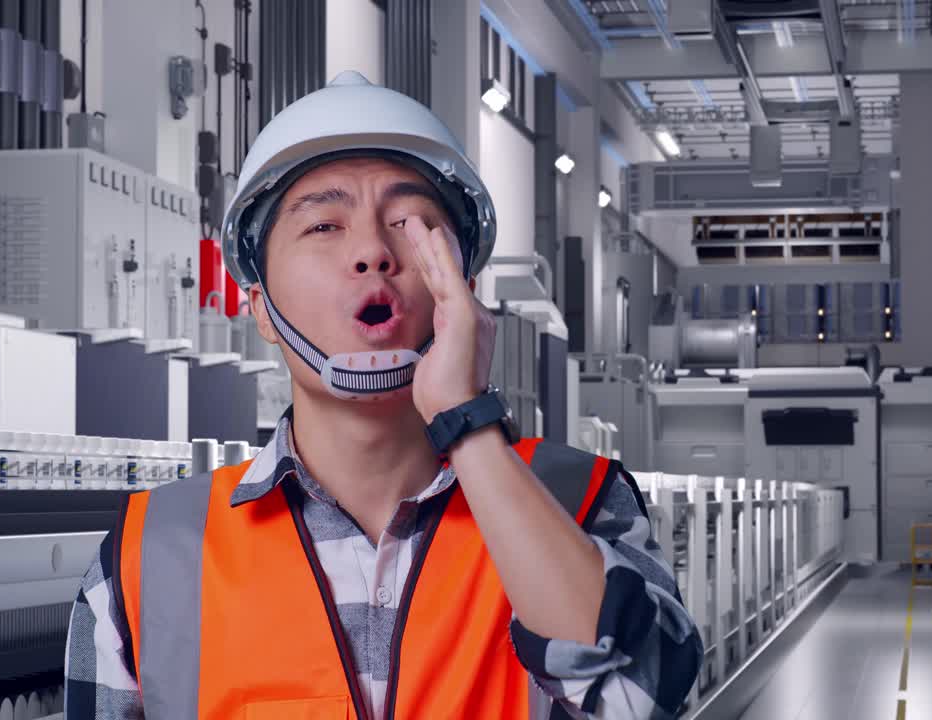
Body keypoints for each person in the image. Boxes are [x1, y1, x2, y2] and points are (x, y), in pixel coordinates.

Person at [64, 71, 702, 719]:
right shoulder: (150, 553)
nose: (371, 250)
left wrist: (471, 428)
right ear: (259, 305)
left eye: (410, 222)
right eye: (323, 226)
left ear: (464, 286)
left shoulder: (579, 502)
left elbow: (642, 701)